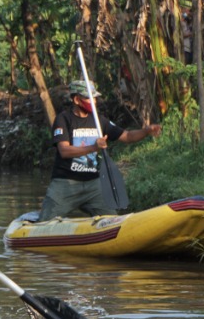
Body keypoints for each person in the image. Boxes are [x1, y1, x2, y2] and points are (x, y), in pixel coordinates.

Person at [40, 79, 161, 221]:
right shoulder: (63, 119)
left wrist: (146, 131)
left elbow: (127, 136)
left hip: (93, 185)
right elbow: (64, 151)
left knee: (111, 221)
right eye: (89, 98)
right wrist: (93, 147)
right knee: (45, 222)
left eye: (95, 98)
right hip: (66, 183)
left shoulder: (99, 121)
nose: (94, 102)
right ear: (77, 100)